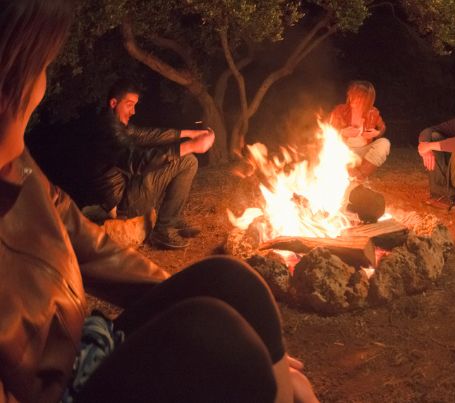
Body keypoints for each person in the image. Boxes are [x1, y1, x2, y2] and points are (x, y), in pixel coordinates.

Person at [0, 1, 317, 402]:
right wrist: (183, 147)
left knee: (229, 281)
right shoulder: (104, 127)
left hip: (86, 349)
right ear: (11, 79)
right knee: (218, 336)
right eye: (41, 66)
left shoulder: (18, 167)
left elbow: (94, 250)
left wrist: (189, 292)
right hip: (58, 390)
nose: (44, 85)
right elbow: (133, 153)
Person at [86, 79, 216, 250]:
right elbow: (136, 162)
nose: (133, 111)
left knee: (186, 159)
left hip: (127, 193)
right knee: (187, 160)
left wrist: (190, 134)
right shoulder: (107, 131)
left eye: (135, 106)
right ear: (113, 103)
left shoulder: (116, 125)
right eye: (129, 105)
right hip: (123, 204)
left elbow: (149, 135)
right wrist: (190, 146)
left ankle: (171, 219)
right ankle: (163, 230)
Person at [328, 80, 391, 181]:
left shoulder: (373, 112)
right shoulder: (339, 110)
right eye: (353, 96)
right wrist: (342, 132)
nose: (354, 100)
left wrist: (377, 133)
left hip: (364, 152)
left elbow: (382, 127)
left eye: (360, 98)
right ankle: (354, 177)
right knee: (329, 146)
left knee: (384, 143)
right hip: (343, 151)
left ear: (368, 100)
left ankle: (359, 176)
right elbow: (325, 132)